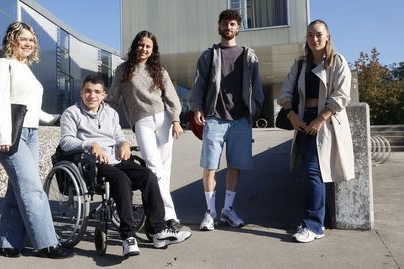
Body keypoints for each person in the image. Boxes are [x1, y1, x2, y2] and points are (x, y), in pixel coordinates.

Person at [59, 74, 191, 257]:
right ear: (81, 92)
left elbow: (118, 135)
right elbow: (65, 142)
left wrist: (124, 143)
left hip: (117, 159)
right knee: (121, 180)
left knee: (148, 176)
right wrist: (90, 145)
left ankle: (158, 230)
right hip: (93, 162)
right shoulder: (71, 113)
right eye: (88, 91)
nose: (92, 96)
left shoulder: (111, 113)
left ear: (104, 94)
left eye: (97, 92)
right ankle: (128, 236)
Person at [0, 22, 73, 259]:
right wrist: (3, 136)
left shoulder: (25, 68)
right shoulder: (2, 65)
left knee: (18, 190)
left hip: (31, 134)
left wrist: (56, 118)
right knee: (33, 189)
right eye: (23, 39)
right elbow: (0, 102)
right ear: (12, 40)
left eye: (31, 40)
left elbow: (30, 108)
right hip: (12, 136)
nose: (28, 44)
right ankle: (47, 243)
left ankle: (7, 243)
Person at [277, 19, 355, 243]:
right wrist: (291, 115)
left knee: (314, 172)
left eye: (319, 34)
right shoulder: (300, 64)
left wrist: (320, 119)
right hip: (302, 121)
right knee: (311, 172)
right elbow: (285, 92)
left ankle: (313, 225)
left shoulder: (337, 62)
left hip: (326, 122)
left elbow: (342, 95)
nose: (315, 39)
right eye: (310, 35)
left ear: (328, 36)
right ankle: (313, 221)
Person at [188, 9, 264, 231]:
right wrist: (197, 108)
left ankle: (227, 209)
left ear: (238, 27)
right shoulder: (209, 55)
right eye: (224, 23)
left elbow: (257, 87)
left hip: (240, 120)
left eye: (232, 24)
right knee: (210, 166)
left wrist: (254, 111)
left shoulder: (249, 56)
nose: (228, 27)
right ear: (219, 26)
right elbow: (198, 84)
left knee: (235, 166)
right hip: (214, 118)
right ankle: (210, 212)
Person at [107, 30, 184, 231]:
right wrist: (100, 115)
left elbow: (171, 97)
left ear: (153, 50)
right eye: (141, 45)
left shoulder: (159, 70)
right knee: (154, 167)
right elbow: (113, 98)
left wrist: (176, 120)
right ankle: (168, 216)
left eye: (148, 46)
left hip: (164, 120)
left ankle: (160, 213)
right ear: (135, 46)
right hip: (141, 122)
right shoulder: (123, 70)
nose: (144, 49)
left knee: (164, 170)